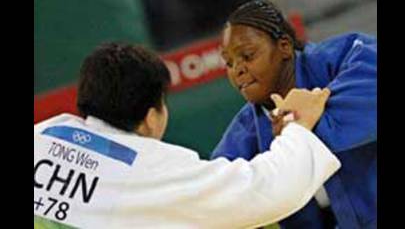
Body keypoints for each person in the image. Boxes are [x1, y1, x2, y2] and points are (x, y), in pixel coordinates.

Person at [34, 42, 339, 228]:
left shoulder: (43, 135)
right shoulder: (149, 172)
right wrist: (296, 125)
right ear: (152, 117)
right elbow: (266, 190)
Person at [212, 0, 377, 228]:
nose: (237, 70)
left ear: (284, 47)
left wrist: (297, 129)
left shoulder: (345, 56)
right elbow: (217, 194)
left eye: (248, 55)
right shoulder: (247, 128)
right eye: (228, 63)